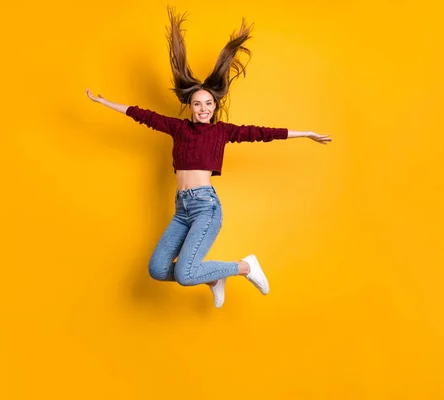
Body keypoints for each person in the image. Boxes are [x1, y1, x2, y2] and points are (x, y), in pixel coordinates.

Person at [86, 7, 332, 308]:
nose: (204, 108)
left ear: (215, 106)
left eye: (209, 104)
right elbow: (143, 115)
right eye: (198, 103)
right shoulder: (178, 128)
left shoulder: (223, 132)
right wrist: (104, 102)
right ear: (189, 106)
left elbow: (263, 133)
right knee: (158, 269)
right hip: (182, 209)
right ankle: (215, 277)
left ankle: (244, 267)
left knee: (187, 274)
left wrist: (305, 132)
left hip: (206, 207)